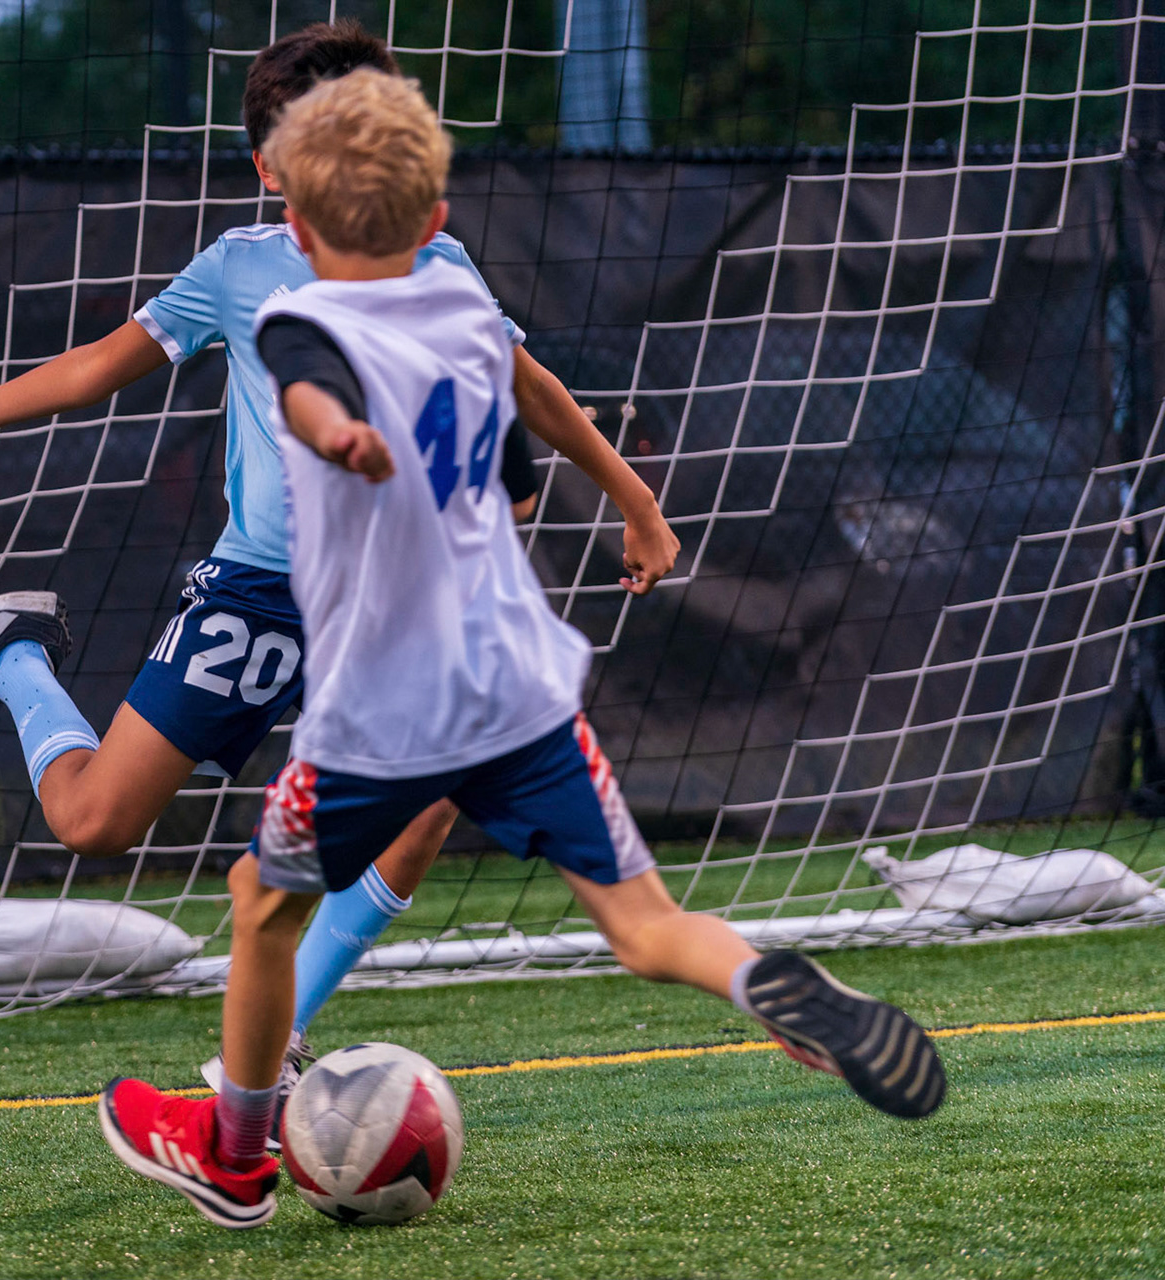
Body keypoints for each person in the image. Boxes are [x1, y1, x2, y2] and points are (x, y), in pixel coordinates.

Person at [94, 68, 947, 1230]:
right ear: (437, 217)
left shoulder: (296, 318)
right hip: (524, 688)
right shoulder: (462, 310)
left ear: (292, 222)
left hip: (382, 713)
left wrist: (339, 432)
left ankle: (236, 1157)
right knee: (645, 926)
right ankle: (763, 978)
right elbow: (519, 475)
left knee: (260, 902)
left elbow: (310, 382)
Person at [0, 21, 584, 1099]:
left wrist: (629, 497)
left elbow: (529, 393)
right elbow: (102, 365)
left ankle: (273, 1036)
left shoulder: (441, 262)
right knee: (94, 821)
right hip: (259, 595)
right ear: (272, 164)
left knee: (434, 796)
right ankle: (12, 656)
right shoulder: (238, 268)